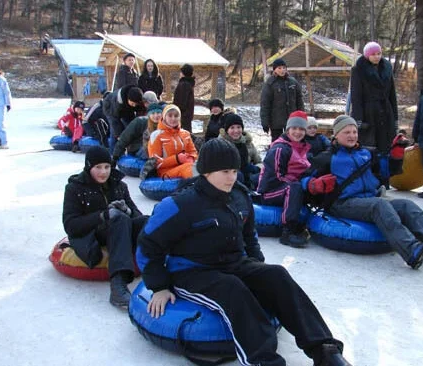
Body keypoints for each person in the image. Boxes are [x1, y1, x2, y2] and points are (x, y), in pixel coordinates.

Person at [136, 138, 352, 366]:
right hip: (191, 271)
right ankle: (264, 361)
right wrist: (158, 286)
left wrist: (258, 270)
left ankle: (325, 350)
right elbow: (148, 244)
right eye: (225, 171)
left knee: (276, 275)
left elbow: (249, 236)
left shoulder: (239, 195)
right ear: (207, 172)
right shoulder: (181, 204)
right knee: (232, 289)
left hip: (233, 262)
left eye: (234, 170)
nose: (232, 177)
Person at [303, 115, 423, 269]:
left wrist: (396, 156)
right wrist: (314, 184)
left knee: (406, 205)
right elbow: (303, 178)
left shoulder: (365, 154)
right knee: (379, 205)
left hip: (367, 199)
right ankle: (411, 250)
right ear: (336, 135)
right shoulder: (328, 157)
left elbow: (385, 174)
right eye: (346, 132)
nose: (352, 136)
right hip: (342, 203)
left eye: (354, 132)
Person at [63, 146, 148, 308]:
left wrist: (128, 210)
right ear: (89, 167)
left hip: (119, 231)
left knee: (147, 220)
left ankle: (159, 264)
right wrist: (103, 215)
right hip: (92, 235)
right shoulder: (75, 188)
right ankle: (118, 284)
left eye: (107, 167)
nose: (103, 172)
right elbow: (71, 225)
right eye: (98, 167)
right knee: (119, 220)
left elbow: (137, 216)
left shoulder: (119, 186)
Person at [257, 111, 311, 248]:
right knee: (294, 187)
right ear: (288, 129)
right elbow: (273, 178)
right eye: (294, 129)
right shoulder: (280, 149)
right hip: (270, 191)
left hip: (289, 189)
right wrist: (298, 185)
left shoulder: (302, 147)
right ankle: (288, 231)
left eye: (301, 129)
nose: (297, 132)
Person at [349, 42, 398, 164]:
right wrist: (358, 119)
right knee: (368, 147)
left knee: (386, 148)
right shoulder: (358, 70)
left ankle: (384, 177)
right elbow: (356, 96)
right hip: (368, 113)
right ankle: (370, 176)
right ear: (367, 55)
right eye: (373, 54)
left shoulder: (387, 68)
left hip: (386, 112)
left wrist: (395, 118)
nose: (377, 57)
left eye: (379, 54)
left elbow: (392, 94)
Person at [145, 104, 198, 179]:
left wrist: (192, 158)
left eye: (176, 116)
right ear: (164, 117)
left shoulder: (185, 134)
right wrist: (177, 159)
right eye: (170, 116)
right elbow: (154, 162)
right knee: (188, 168)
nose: (173, 119)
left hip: (187, 165)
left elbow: (193, 152)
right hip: (166, 171)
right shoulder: (156, 135)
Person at [260, 58, 305, 142]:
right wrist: (265, 122)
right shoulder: (270, 83)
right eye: (279, 68)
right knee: (277, 143)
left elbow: (299, 100)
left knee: (293, 142)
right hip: (276, 122)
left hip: (292, 120)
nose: (282, 70)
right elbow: (265, 104)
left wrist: (302, 116)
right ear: (275, 70)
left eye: (284, 68)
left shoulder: (293, 82)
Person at [219, 113, 262, 189]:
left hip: (248, 177)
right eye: (232, 128)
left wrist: (257, 168)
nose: (236, 131)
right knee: (239, 175)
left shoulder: (247, 142)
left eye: (238, 127)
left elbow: (259, 161)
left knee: (267, 174)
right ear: (227, 130)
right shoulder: (220, 144)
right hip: (229, 180)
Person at [102, 84, 144, 153]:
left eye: (136, 104)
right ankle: (113, 152)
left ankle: (133, 149)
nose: (134, 106)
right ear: (128, 99)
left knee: (131, 127)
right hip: (110, 108)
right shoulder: (117, 102)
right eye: (133, 103)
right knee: (114, 132)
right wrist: (119, 135)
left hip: (126, 109)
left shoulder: (136, 96)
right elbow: (114, 121)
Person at [173, 64, 195, 133]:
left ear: (182, 73)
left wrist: (175, 112)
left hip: (182, 118)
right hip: (186, 117)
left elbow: (181, 103)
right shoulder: (188, 84)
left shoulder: (184, 84)